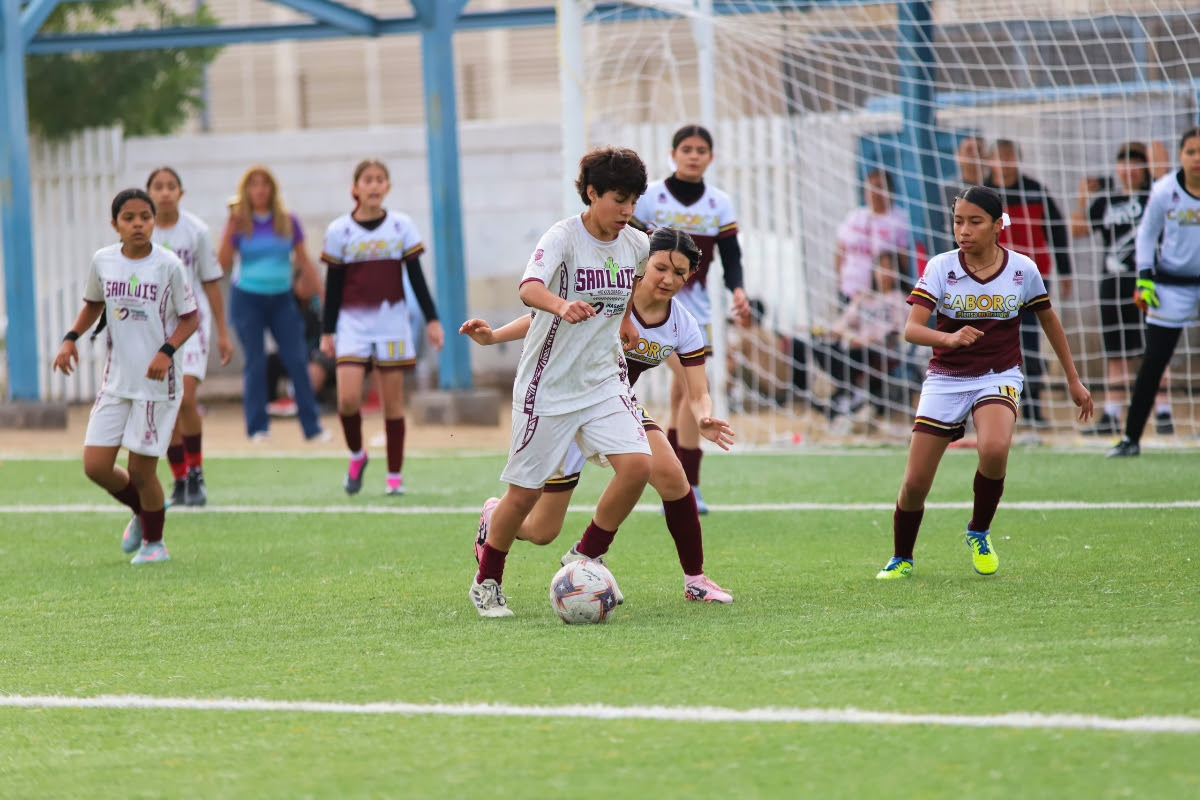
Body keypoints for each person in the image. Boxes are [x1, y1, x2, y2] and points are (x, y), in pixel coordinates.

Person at [462, 228, 735, 604]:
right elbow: (543, 320)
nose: (668, 279)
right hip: (562, 402)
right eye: (660, 268)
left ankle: (687, 578)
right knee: (541, 531)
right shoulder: (612, 294)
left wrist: (704, 416)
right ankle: (495, 519)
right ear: (642, 265)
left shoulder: (683, 324)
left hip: (612, 402)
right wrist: (493, 337)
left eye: (679, 273)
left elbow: (699, 390)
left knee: (672, 477)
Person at [468, 146, 653, 618]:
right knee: (524, 498)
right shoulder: (563, 238)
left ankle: (585, 555)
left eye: (634, 200)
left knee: (637, 467)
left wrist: (624, 320)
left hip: (603, 381)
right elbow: (529, 288)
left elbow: (628, 285)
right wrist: (560, 305)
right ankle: (487, 582)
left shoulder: (636, 244)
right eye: (619, 199)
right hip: (547, 388)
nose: (627, 210)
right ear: (592, 193)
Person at [875, 186, 1092, 580]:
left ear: (997, 225)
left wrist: (1073, 380)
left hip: (998, 375)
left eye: (975, 221)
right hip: (945, 379)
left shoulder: (1023, 269)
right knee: (915, 483)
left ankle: (978, 531)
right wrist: (949, 338)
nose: (964, 229)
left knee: (993, 448)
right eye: (958, 221)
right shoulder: (941, 267)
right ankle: (902, 557)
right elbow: (911, 329)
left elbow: (1049, 321)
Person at [52, 188, 200, 564]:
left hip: (156, 386)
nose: (138, 224)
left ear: (153, 222)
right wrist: (70, 338)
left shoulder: (168, 265)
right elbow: (93, 304)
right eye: (129, 218)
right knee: (96, 466)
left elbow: (190, 318)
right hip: (116, 381)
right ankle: (142, 510)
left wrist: (166, 352)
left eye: (145, 217)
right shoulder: (103, 261)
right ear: (114, 224)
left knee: (141, 470)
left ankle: (155, 544)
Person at [633, 124, 750, 514]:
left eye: (701, 150)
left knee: (681, 393)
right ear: (673, 154)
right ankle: (689, 484)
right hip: (652, 307)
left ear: (711, 157)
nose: (694, 155)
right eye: (686, 149)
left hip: (695, 312)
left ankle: (674, 480)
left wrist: (737, 289)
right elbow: (628, 244)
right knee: (690, 385)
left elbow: (731, 255)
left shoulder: (719, 203)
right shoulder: (650, 197)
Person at [319, 159, 444, 495]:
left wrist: (432, 319)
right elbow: (333, 286)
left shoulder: (401, 226)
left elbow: (417, 278)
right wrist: (327, 331)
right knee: (347, 400)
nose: (374, 185)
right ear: (355, 188)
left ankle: (394, 478)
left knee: (393, 403)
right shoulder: (339, 231)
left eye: (379, 179)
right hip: (352, 325)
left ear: (387, 187)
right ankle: (357, 455)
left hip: (392, 323)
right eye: (367, 179)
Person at [1070, 143, 1173, 437]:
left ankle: (1163, 412)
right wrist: (1082, 197)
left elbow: (1161, 161)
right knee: (1116, 352)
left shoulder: (1154, 194)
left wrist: (1149, 147)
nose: (1129, 170)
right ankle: (1112, 414)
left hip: (1147, 282)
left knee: (1154, 350)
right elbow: (1077, 230)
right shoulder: (1106, 201)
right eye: (1123, 163)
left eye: (1135, 163)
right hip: (1112, 285)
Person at [1108, 127, 1200, 458]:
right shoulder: (1164, 190)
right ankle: (1130, 438)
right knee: (1153, 362)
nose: (1197, 158)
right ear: (1180, 155)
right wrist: (1144, 278)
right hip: (1171, 285)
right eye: (1191, 151)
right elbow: (1147, 234)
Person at [218, 165, 326, 442]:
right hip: (247, 299)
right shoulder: (239, 222)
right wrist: (230, 229)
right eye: (254, 185)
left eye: (264, 184)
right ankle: (257, 427)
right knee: (255, 362)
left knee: (297, 358)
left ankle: (312, 427)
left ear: (272, 189)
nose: (260, 190)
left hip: (281, 299)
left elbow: (303, 260)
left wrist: (323, 294)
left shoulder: (288, 221)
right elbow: (223, 263)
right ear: (246, 190)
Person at [145, 167, 233, 508]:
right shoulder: (141, 232)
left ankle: (196, 472)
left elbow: (210, 281)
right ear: (149, 192)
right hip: (154, 328)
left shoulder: (196, 231)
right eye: (158, 186)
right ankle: (180, 478)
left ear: (181, 193)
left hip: (191, 325)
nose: (165, 192)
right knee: (165, 405)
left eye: (171, 186)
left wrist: (223, 332)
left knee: (184, 398)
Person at [986, 140, 1073, 436]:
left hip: (1032, 279)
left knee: (1031, 344)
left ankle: (1034, 409)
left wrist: (1065, 271)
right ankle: (993, 408)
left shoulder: (1035, 191)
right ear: (989, 160)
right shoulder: (982, 195)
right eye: (999, 156)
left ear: (1018, 159)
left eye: (1009, 155)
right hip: (992, 281)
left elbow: (1057, 231)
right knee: (993, 344)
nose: (1004, 161)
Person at [835, 168, 912, 304]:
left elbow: (904, 259)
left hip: (881, 298)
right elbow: (840, 250)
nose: (873, 192)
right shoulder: (854, 217)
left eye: (878, 187)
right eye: (869, 188)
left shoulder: (899, 220)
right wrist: (839, 281)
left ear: (889, 190)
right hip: (850, 291)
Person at [266, 293, 336, 416]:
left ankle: (308, 400)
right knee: (271, 360)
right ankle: (270, 403)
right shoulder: (289, 305)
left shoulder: (323, 304)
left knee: (317, 360)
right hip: (299, 351)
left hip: (323, 352)